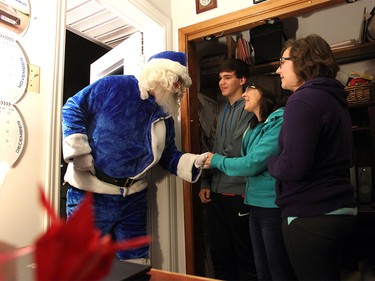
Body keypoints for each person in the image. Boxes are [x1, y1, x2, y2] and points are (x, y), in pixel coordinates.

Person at [61, 51, 208, 263]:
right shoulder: (113, 86)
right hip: (90, 195)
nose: (179, 90)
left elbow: (167, 155)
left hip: (133, 198)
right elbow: (73, 108)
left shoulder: (165, 117)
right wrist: (79, 152)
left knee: (136, 263)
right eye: (177, 82)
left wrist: (192, 162)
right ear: (162, 73)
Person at [267, 34, 357, 281]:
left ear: (302, 61)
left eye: (283, 61)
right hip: (340, 210)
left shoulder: (303, 100)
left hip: (311, 214)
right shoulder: (332, 97)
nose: (278, 69)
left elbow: (293, 166)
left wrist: (271, 162)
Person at [204, 74, 296, 281]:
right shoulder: (255, 125)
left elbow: (252, 163)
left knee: (277, 270)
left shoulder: (279, 122)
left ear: (266, 92)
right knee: (262, 268)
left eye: (250, 89)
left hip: (272, 207)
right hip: (254, 204)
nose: (244, 94)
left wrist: (216, 160)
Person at [198, 58, 257, 281]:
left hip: (239, 193)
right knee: (220, 255)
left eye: (227, 77)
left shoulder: (250, 107)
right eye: (220, 78)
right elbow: (214, 148)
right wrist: (206, 183)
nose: (221, 82)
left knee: (246, 256)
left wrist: (214, 161)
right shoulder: (223, 110)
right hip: (217, 193)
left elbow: (234, 149)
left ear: (242, 80)